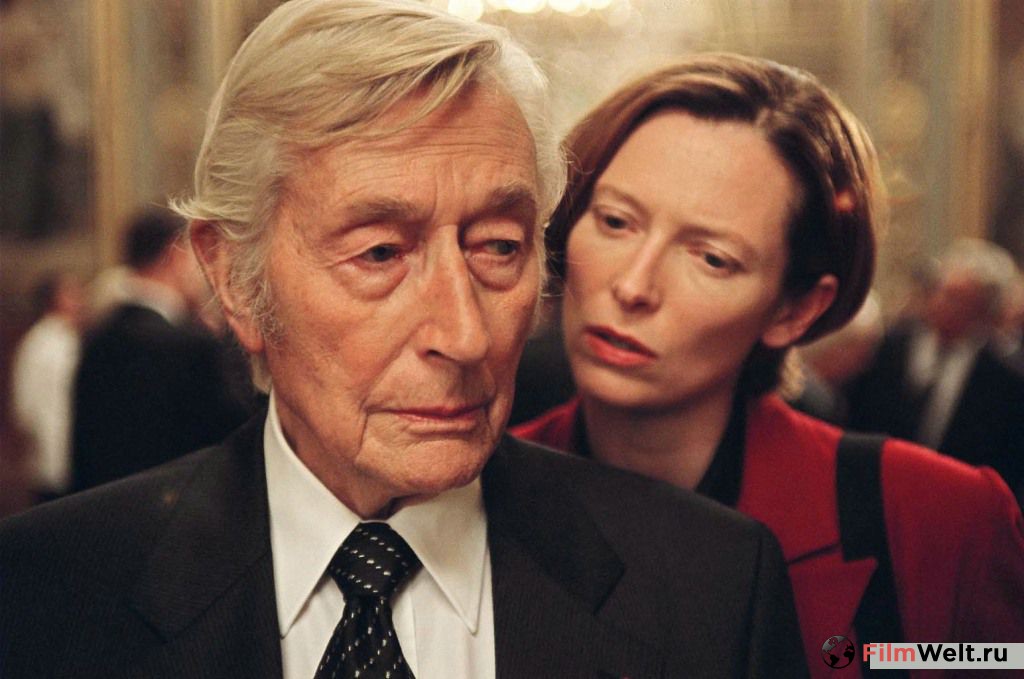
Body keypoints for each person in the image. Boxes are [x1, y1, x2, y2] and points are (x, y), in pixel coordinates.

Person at [0, 4, 808, 678]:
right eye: (381, 253)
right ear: (236, 278)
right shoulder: (45, 591)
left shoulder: (710, 588)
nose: (465, 334)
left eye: (498, 247)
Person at [511, 54, 1024, 676]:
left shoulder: (939, 518)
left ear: (795, 310)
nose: (633, 286)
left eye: (712, 258)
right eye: (616, 222)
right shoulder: (478, 495)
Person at [70, 207, 253, 491]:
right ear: (175, 255)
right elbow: (237, 436)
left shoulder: (97, 337)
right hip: (175, 505)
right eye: (197, 257)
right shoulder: (191, 345)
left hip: (105, 504)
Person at [846, 238, 1024, 501]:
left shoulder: (1005, 378)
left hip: (956, 498)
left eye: (958, 300)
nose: (942, 304)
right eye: (941, 292)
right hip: (879, 490)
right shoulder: (890, 345)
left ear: (984, 311)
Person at [10, 271, 85, 501]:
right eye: (71, 293)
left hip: (70, 451)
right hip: (52, 453)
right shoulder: (41, 341)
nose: (80, 299)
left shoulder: (66, 338)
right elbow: (24, 405)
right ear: (55, 299)